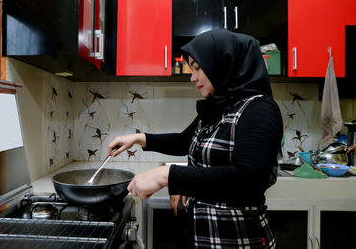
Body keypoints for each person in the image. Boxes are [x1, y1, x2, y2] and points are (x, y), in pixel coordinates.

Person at [107, 29, 283, 248]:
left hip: (240, 240)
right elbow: (185, 141)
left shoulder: (258, 109)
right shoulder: (218, 107)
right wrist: (138, 138)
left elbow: (247, 179)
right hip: (205, 237)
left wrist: (168, 176)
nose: (193, 77)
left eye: (198, 68)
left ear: (222, 64)